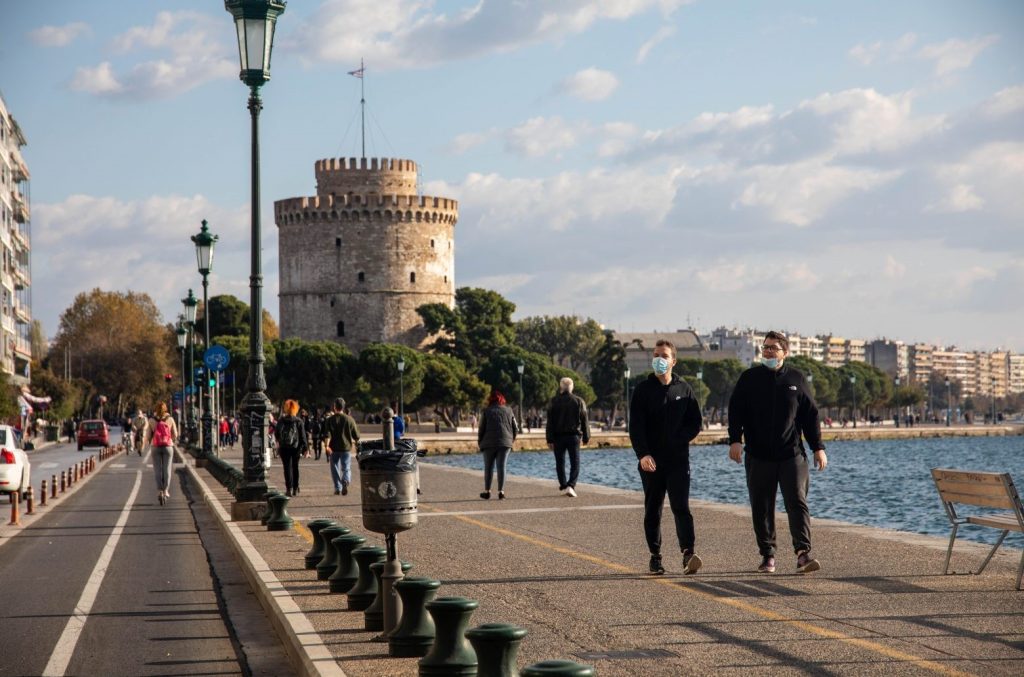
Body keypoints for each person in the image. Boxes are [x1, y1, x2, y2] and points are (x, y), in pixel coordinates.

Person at [728, 330, 828, 575]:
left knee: (797, 502)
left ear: (785, 352)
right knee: (761, 507)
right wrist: (735, 440)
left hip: (791, 455)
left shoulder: (796, 378)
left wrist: (818, 448)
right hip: (758, 455)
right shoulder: (749, 378)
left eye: (773, 348)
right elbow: (735, 410)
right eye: (766, 347)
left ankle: (803, 554)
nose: (768, 351)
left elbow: (810, 415)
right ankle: (768, 555)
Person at [629, 339, 704, 576]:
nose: (659, 359)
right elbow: (636, 428)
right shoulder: (642, 390)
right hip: (651, 462)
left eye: (664, 355)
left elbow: (695, 423)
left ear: (673, 360)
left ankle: (688, 553)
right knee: (654, 509)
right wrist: (643, 455)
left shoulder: (685, 389)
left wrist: (678, 439)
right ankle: (655, 557)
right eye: (655, 355)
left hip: (678, 461)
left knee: (681, 507)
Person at [545, 377, 590, 497]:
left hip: (558, 437)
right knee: (575, 462)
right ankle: (571, 485)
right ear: (572, 387)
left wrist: (549, 439)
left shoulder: (553, 401)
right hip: (573, 436)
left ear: (561, 387)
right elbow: (584, 420)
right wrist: (586, 437)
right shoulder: (579, 401)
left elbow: (550, 422)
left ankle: (563, 484)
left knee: (559, 462)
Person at [477, 391, 517, 500]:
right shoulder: (509, 411)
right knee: (501, 466)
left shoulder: (486, 411)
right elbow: (515, 428)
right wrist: (511, 439)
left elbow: (481, 428)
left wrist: (480, 441)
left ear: (490, 400)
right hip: (505, 443)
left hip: (488, 443)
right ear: (502, 400)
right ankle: (501, 492)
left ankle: (487, 491)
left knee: (488, 467)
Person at [323, 397, 360, 495]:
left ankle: (337, 488)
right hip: (346, 448)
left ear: (334, 407)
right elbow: (356, 435)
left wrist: (326, 446)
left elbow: (327, 435)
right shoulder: (349, 419)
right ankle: (345, 481)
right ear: (343, 407)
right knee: (346, 467)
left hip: (333, 448)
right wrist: (356, 444)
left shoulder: (329, 420)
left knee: (334, 467)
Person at [146, 402, 179, 506]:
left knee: (157, 470)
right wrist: (170, 440)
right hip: (168, 446)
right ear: (166, 409)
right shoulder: (170, 419)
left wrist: (152, 441)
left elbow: (147, 435)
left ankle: (160, 491)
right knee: (167, 469)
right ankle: (166, 491)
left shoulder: (151, 420)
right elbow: (176, 434)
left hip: (155, 447)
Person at [274, 399, 309, 497]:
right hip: (296, 447)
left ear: (286, 408)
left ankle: (288, 488)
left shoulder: (281, 420)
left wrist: (279, 442)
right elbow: (303, 436)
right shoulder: (299, 421)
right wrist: (306, 448)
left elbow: (277, 433)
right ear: (296, 409)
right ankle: (295, 488)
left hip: (284, 447)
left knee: (287, 468)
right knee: (295, 467)